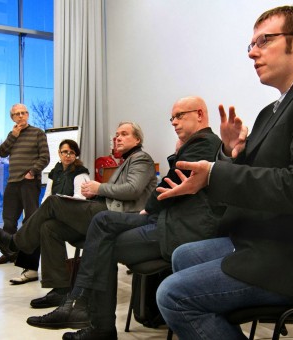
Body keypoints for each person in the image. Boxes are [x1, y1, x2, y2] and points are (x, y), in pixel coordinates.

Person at [154, 6, 293, 340]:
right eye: (250, 45)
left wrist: (216, 174)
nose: (252, 53)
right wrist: (230, 154)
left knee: (173, 295)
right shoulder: (269, 112)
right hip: (278, 239)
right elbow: (255, 183)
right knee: (184, 254)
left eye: (264, 41)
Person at [26, 96, 224, 340]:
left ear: (200, 115)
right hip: (164, 220)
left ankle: (88, 313)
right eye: (172, 117)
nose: (174, 122)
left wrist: (148, 207)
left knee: (100, 240)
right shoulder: (194, 146)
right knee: (97, 223)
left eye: (180, 116)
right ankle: (80, 305)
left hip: (177, 228)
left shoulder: (205, 144)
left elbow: (168, 184)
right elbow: (171, 183)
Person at [0, 121, 157, 304]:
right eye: (117, 135)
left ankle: (14, 244)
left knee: (53, 202)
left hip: (119, 217)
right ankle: (60, 290)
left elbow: (133, 189)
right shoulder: (126, 161)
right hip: (104, 210)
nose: (118, 138)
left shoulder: (142, 158)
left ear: (137, 139)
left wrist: (99, 188)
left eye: (124, 134)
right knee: (49, 227)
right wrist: (95, 192)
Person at [8, 139, 90, 284]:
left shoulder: (81, 173)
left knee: (38, 224)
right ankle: (31, 269)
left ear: (76, 155)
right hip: (56, 212)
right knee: (37, 223)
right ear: (59, 153)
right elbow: (47, 196)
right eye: (65, 152)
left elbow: (80, 199)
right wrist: (43, 212)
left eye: (72, 153)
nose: (68, 155)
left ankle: (16, 246)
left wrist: (60, 202)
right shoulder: (55, 172)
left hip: (73, 216)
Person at [0, 103, 50, 266]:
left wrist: (32, 172)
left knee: (30, 220)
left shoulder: (37, 133)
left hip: (29, 182)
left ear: (28, 115)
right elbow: (2, 152)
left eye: (24, 113)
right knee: (9, 220)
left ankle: (26, 255)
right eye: (17, 114)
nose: (21, 116)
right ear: (12, 117)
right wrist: (13, 135)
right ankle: (9, 253)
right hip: (12, 182)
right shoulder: (13, 134)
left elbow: (45, 157)